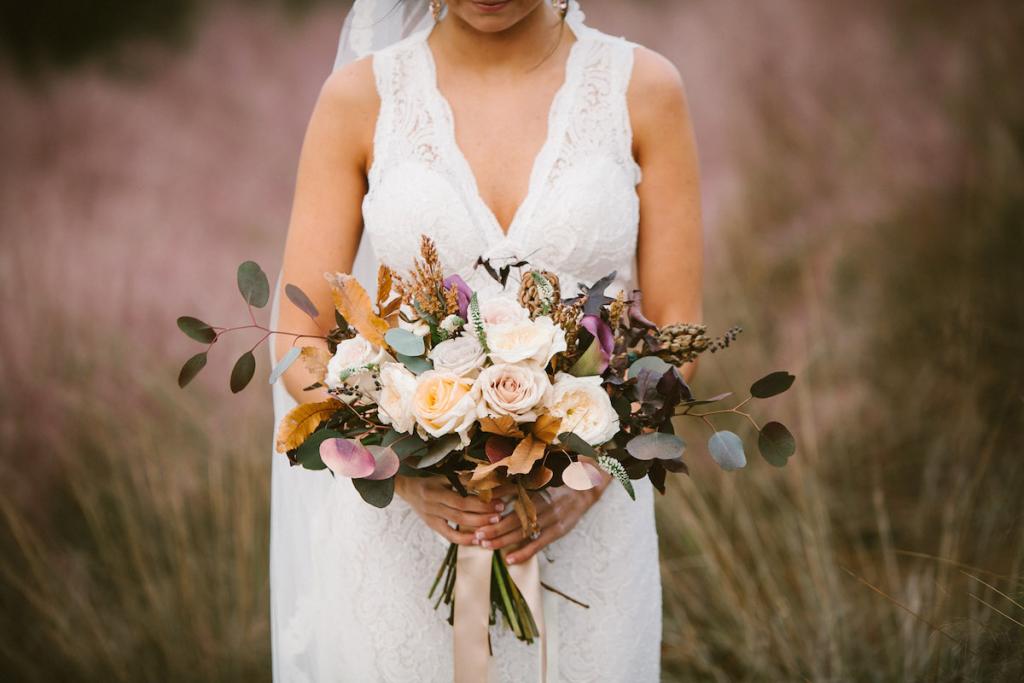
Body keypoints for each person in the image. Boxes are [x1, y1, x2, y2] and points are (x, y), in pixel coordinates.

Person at [268, 1, 703, 680]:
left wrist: (583, 483)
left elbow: (680, 331)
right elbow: (299, 335)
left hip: (585, 536)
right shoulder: (359, 97)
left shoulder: (643, 89)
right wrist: (397, 468)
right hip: (405, 539)